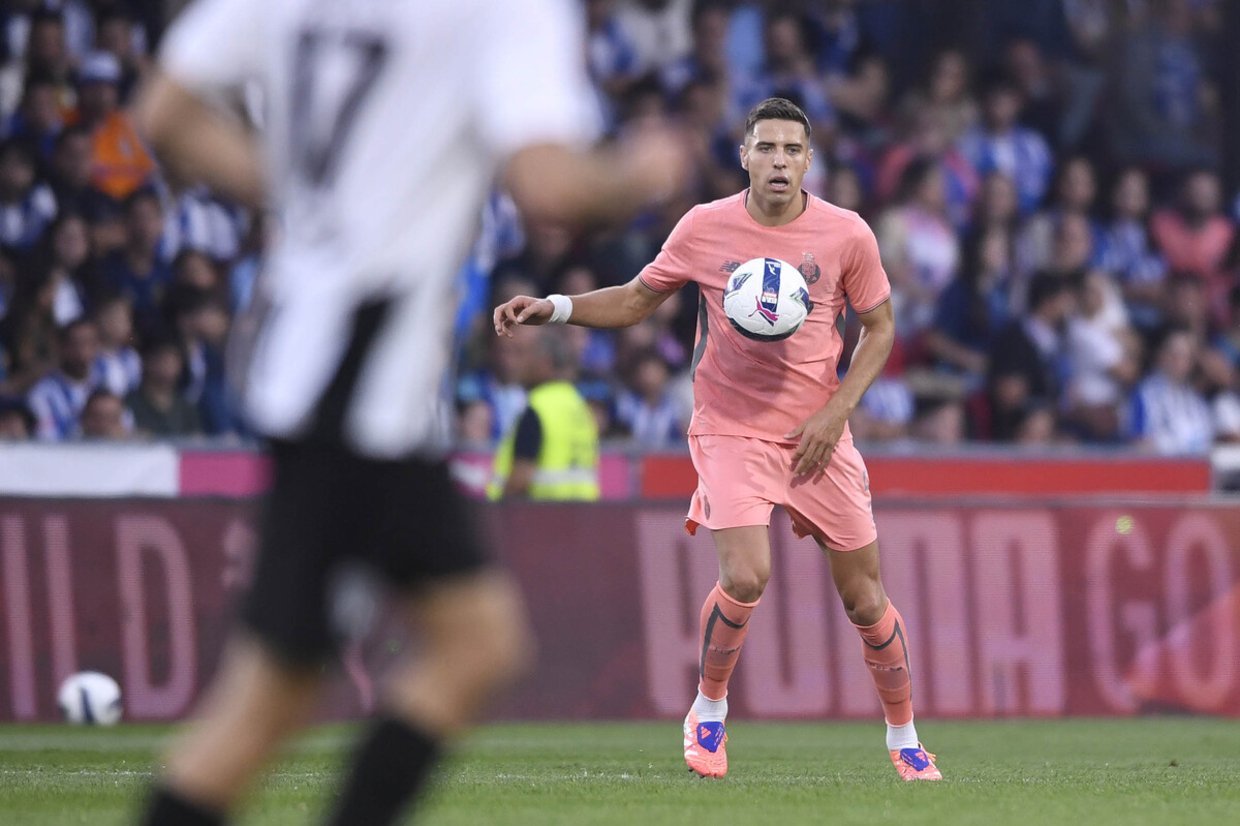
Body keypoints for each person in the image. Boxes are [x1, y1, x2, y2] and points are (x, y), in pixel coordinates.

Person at [131, 0, 685, 824]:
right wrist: (638, 171)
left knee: (448, 649)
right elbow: (548, 182)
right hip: (361, 381)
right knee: (294, 693)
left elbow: (164, 111)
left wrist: (308, 197)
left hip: (308, 360)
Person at [495, 96, 942, 782]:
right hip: (730, 428)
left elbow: (880, 329)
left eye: (791, 150)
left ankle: (905, 738)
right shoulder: (705, 226)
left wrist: (837, 413)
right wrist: (554, 308)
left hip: (818, 432)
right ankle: (707, 711)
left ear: (809, 162)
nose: (779, 161)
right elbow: (637, 299)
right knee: (745, 574)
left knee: (865, 599)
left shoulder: (847, 234)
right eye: (766, 148)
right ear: (744, 157)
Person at [487, 324, 599, 500]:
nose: (519, 364)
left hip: (542, 511)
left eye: (525, 356)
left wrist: (497, 509)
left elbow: (521, 478)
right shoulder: (578, 406)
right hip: (580, 512)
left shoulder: (538, 408)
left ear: (544, 363)